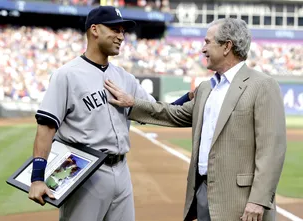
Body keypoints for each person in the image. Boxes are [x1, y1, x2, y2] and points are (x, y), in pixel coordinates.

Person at [104, 18, 287, 221]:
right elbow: (173, 113)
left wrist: (258, 200)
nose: (202, 49)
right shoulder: (207, 88)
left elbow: (272, 149)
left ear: (227, 46)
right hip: (203, 193)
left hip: (242, 201)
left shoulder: (262, 85)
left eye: (208, 42)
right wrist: (132, 103)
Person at [27, 5, 193, 221]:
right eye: (115, 29)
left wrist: (188, 98)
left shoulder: (125, 78)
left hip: (121, 170)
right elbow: (46, 127)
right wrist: (37, 178)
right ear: (94, 30)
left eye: (123, 31)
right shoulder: (67, 75)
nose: (121, 36)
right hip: (83, 172)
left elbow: (156, 111)